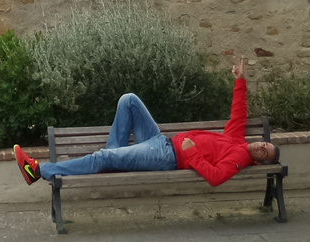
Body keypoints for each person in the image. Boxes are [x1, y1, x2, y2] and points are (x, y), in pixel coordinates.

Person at [14, 56, 278, 186]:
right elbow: (238, 113)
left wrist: (192, 155)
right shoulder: (237, 140)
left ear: (259, 160)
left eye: (265, 152)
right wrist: (240, 79)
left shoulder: (237, 160)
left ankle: (38, 171)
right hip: (160, 142)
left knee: (103, 157)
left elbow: (216, 177)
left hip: (166, 157)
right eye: (265, 144)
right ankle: (114, 159)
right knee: (128, 99)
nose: (261, 146)